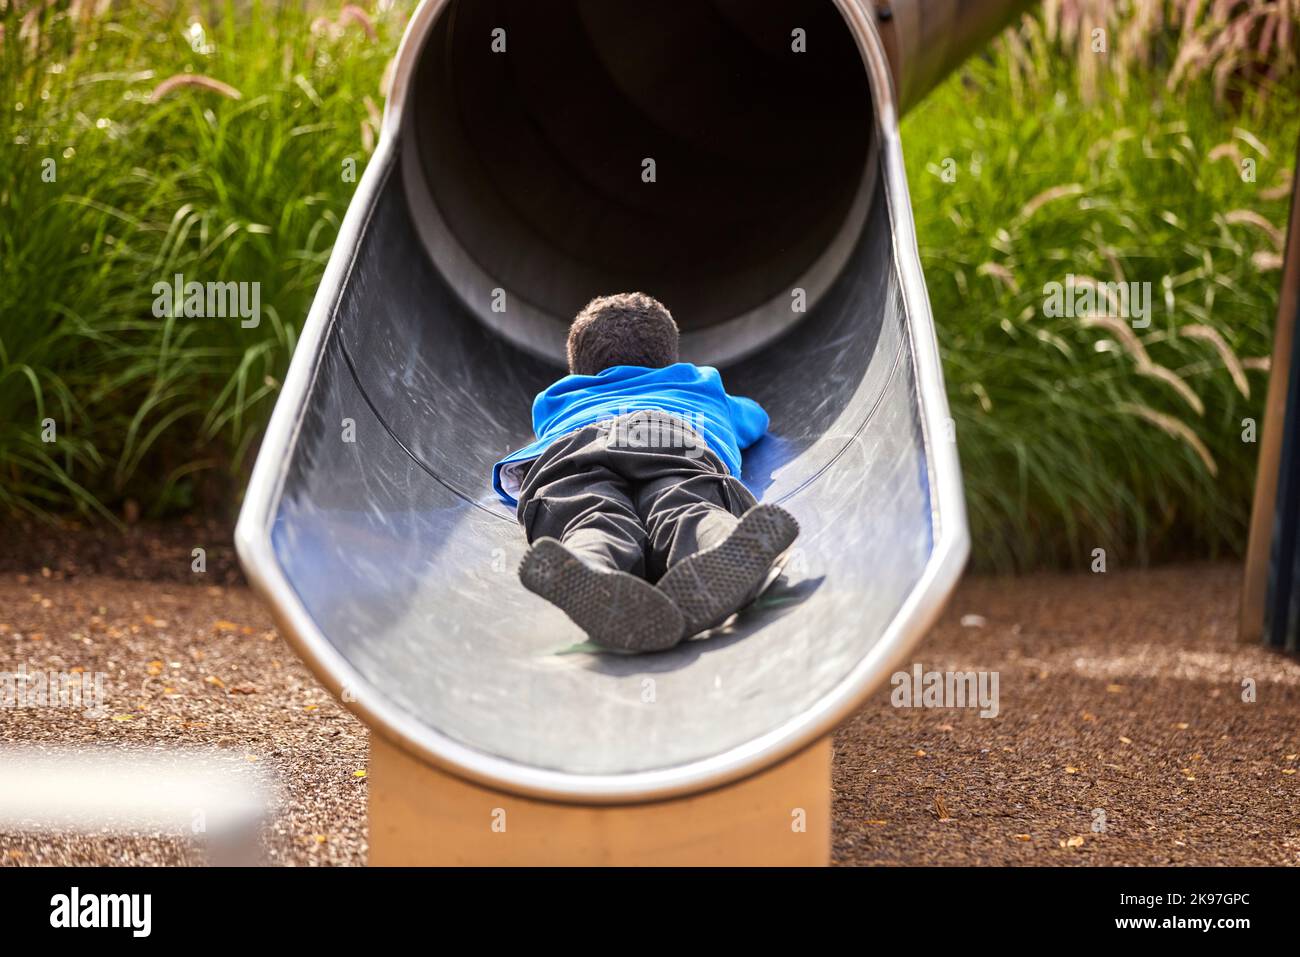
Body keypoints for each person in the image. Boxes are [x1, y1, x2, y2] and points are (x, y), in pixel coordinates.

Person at [494, 292, 798, 652]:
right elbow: (755, 418)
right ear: (669, 359)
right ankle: (720, 542)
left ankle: (588, 562)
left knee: (588, 515)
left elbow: (542, 445)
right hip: (667, 436)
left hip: (576, 449)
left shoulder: (557, 398)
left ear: (578, 369)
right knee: (686, 502)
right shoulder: (697, 383)